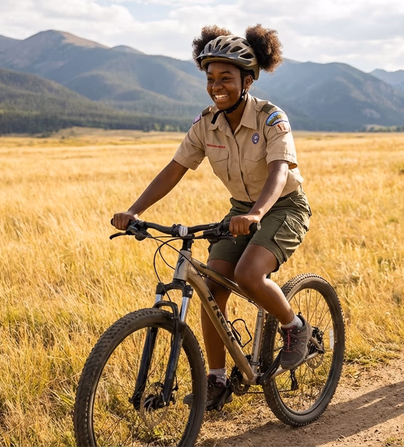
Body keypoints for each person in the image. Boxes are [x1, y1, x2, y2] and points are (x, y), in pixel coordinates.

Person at [112, 24, 312, 410]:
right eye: (211, 78)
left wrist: (256, 213)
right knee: (212, 286)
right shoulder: (207, 122)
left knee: (249, 275)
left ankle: (294, 326)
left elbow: (279, 172)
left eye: (226, 78)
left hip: (283, 206)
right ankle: (217, 380)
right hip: (241, 209)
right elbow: (175, 168)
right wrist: (135, 210)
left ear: (247, 80)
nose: (217, 85)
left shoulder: (271, 118)